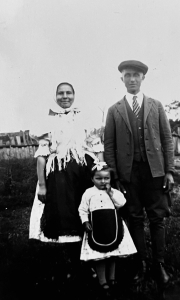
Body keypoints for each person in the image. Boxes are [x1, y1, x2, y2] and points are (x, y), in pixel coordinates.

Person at [104, 60, 175, 287]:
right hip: (129, 175)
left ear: (143, 78)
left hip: (154, 172)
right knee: (134, 218)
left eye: (136, 75)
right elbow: (109, 145)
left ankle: (159, 264)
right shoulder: (114, 110)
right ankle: (141, 264)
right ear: (121, 79)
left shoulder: (156, 105)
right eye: (127, 75)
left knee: (157, 218)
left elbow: (167, 139)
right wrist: (116, 177)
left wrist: (169, 171)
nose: (132, 79)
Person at [29, 82, 102, 282]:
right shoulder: (48, 120)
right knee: (67, 219)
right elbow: (42, 156)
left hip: (83, 173)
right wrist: (42, 185)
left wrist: (102, 171)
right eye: (61, 93)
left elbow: (96, 148)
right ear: (55, 96)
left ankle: (92, 262)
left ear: (74, 95)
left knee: (89, 215)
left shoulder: (84, 118)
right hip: (59, 176)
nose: (65, 96)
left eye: (68, 93)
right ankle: (75, 264)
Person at [78, 162, 136, 297]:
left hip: (112, 226)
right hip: (97, 228)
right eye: (98, 178)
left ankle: (112, 278)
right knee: (100, 256)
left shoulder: (114, 192)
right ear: (92, 179)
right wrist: (85, 221)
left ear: (110, 179)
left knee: (112, 254)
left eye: (106, 178)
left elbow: (122, 203)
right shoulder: (88, 193)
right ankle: (102, 281)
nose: (103, 181)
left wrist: (111, 193)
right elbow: (82, 209)